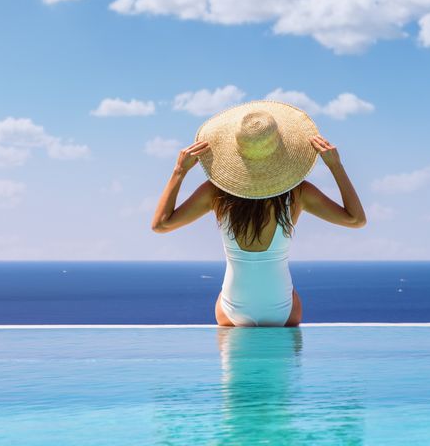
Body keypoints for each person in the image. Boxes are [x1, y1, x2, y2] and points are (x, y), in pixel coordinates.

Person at [150, 100, 366, 326]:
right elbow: (356, 219)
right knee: (290, 301)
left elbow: (161, 225)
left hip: (232, 310)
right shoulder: (298, 193)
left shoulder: (215, 193)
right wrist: (336, 166)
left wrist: (179, 171)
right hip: (283, 312)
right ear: (280, 150)